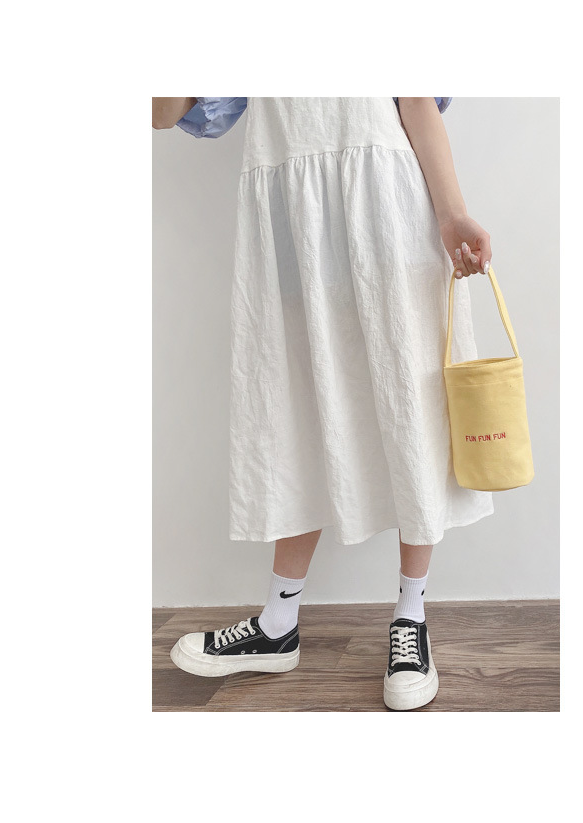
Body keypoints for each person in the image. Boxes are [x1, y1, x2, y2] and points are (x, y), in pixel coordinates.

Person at [152, 97, 493, 711]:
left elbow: (414, 99)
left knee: (410, 407)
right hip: (290, 215)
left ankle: (411, 617)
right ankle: (278, 624)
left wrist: (452, 214)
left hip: (384, 199)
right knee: (291, 407)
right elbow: (162, 111)